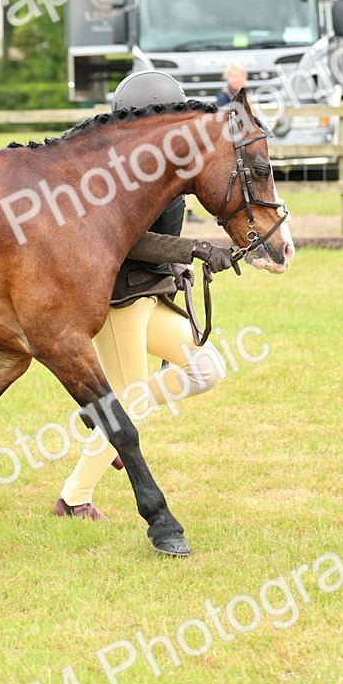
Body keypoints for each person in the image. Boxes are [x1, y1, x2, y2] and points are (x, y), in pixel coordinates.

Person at [54, 71, 236, 520]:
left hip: (149, 297)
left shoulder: (165, 170)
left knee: (207, 369)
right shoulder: (117, 177)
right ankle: (74, 498)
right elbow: (132, 242)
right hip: (119, 302)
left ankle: (103, 416)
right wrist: (193, 249)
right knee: (129, 403)